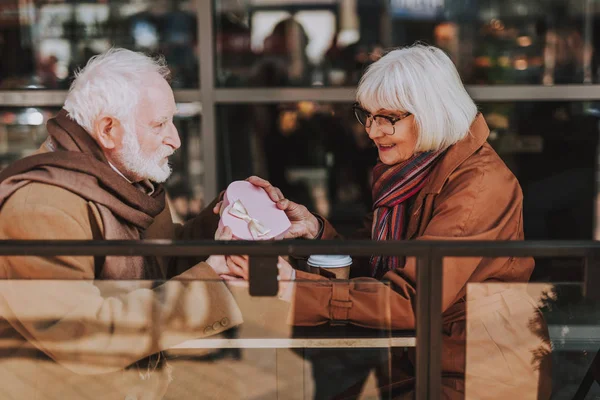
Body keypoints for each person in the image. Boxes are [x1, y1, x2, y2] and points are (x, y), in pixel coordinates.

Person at [218, 44, 552, 399]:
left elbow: (412, 300)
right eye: (368, 116)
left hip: (481, 377)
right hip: (424, 362)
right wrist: (314, 231)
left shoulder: (477, 186)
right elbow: (375, 260)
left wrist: (293, 288)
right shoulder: (414, 173)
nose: (373, 131)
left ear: (431, 112)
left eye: (388, 118)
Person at [0, 48, 243, 400]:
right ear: (109, 130)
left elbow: (160, 263)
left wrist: (223, 219)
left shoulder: (128, 181)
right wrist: (213, 283)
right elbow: (85, 338)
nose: (174, 140)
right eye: (159, 124)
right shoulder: (39, 208)